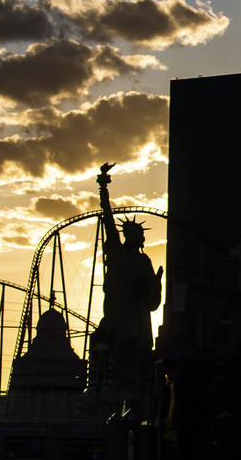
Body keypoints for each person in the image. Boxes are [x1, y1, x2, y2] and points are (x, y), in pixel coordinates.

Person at [91, 163, 163, 390]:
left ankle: (128, 395)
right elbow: (108, 216)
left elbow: (151, 302)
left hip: (134, 317)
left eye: (133, 234)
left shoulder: (143, 261)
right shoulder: (115, 250)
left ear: (140, 238)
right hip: (114, 310)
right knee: (106, 345)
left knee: (132, 359)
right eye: (127, 233)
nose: (128, 236)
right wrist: (103, 186)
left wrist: (157, 283)